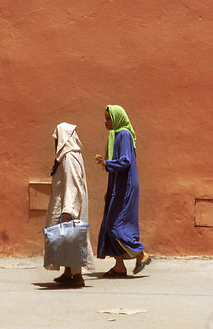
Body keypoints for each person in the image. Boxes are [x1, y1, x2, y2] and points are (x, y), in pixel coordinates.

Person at [95, 105, 151, 277]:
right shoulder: (115, 136)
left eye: (108, 118)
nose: (105, 121)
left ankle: (141, 254)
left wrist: (106, 163)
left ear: (117, 118)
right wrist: (109, 189)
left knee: (116, 225)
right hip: (117, 186)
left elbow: (125, 161)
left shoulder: (124, 134)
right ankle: (119, 266)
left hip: (126, 186)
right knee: (108, 224)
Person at [44, 122, 94, 287]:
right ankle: (68, 272)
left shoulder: (69, 156)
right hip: (65, 201)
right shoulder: (67, 154)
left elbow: (73, 182)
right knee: (66, 239)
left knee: (73, 238)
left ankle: (77, 276)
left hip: (68, 203)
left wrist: (68, 208)